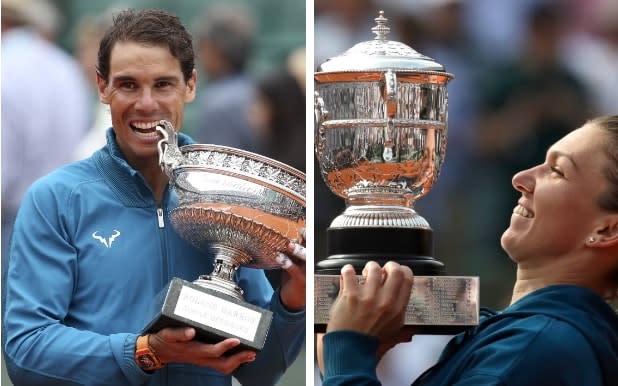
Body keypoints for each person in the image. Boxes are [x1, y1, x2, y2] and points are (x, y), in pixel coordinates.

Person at [2, 9, 306, 386]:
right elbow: (26, 351)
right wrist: (146, 352)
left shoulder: (228, 201)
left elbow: (260, 370)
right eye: (128, 85)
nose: (146, 104)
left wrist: (294, 301)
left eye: (163, 84)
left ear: (190, 85)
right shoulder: (55, 201)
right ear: (102, 87)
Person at [318, 115, 618, 385]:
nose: (521, 179)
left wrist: (348, 356)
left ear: (608, 230)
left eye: (557, 171)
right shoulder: (541, 340)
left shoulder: (537, 349)